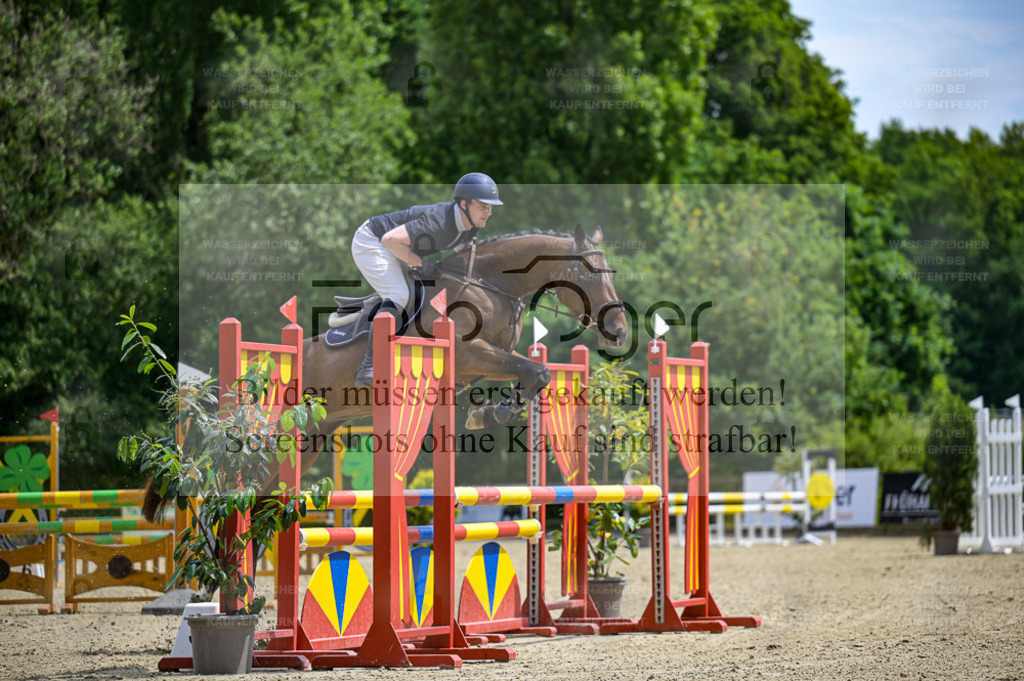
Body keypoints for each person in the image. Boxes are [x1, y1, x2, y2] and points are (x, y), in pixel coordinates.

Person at [351, 172, 503, 387]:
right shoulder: (439, 222)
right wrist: (421, 264)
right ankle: (368, 366)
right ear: (464, 204)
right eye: (482, 206)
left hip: (398, 248)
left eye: (490, 207)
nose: (488, 212)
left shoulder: (471, 226)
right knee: (399, 295)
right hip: (372, 242)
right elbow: (390, 240)